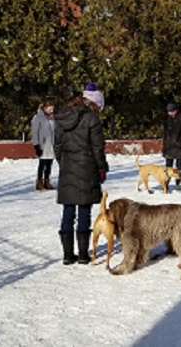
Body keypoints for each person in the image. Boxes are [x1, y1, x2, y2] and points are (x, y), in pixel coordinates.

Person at [54, 91, 109, 265]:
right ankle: (83, 254)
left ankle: (67, 254)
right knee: (84, 210)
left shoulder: (62, 118)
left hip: (67, 167)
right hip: (87, 167)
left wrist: (64, 163)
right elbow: (97, 147)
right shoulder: (92, 119)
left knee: (68, 210)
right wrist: (101, 167)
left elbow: (57, 146)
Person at [162, 102, 181, 192]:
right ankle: (166, 184)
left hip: (178, 147)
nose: (169, 113)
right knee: (168, 166)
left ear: (175, 110)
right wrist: (165, 142)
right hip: (169, 146)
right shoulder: (167, 118)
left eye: (171, 111)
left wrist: (180, 141)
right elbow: (166, 131)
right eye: (168, 111)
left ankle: (178, 184)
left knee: (179, 166)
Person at [31, 99, 56, 191]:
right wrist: (36, 145)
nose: (51, 111)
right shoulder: (38, 118)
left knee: (49, 164)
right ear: (45, 108)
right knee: (42, 164)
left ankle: (47, 181)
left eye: (52, 109)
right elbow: (34, 132)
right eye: (50, 109)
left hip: (51, 145)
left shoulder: (53, 118)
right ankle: (39, 181)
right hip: (43, 145)